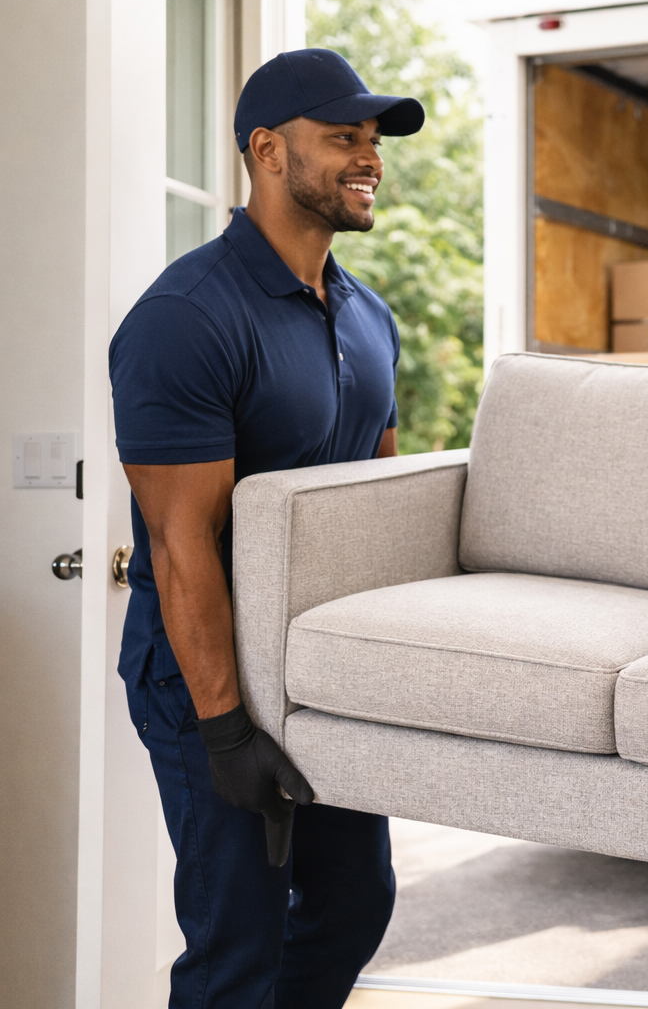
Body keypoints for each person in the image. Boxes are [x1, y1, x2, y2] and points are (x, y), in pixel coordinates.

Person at [109, 49, 424, 1007]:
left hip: (316, 668)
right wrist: (225, 729)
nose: (369, 158)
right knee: (237, 945)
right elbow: (181, 546)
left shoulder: (369, 318)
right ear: (267, 150)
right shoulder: (185, 317)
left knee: (354, 902)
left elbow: (378, 508)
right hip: (206, 676)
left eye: (374, 140)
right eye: (343, 137)